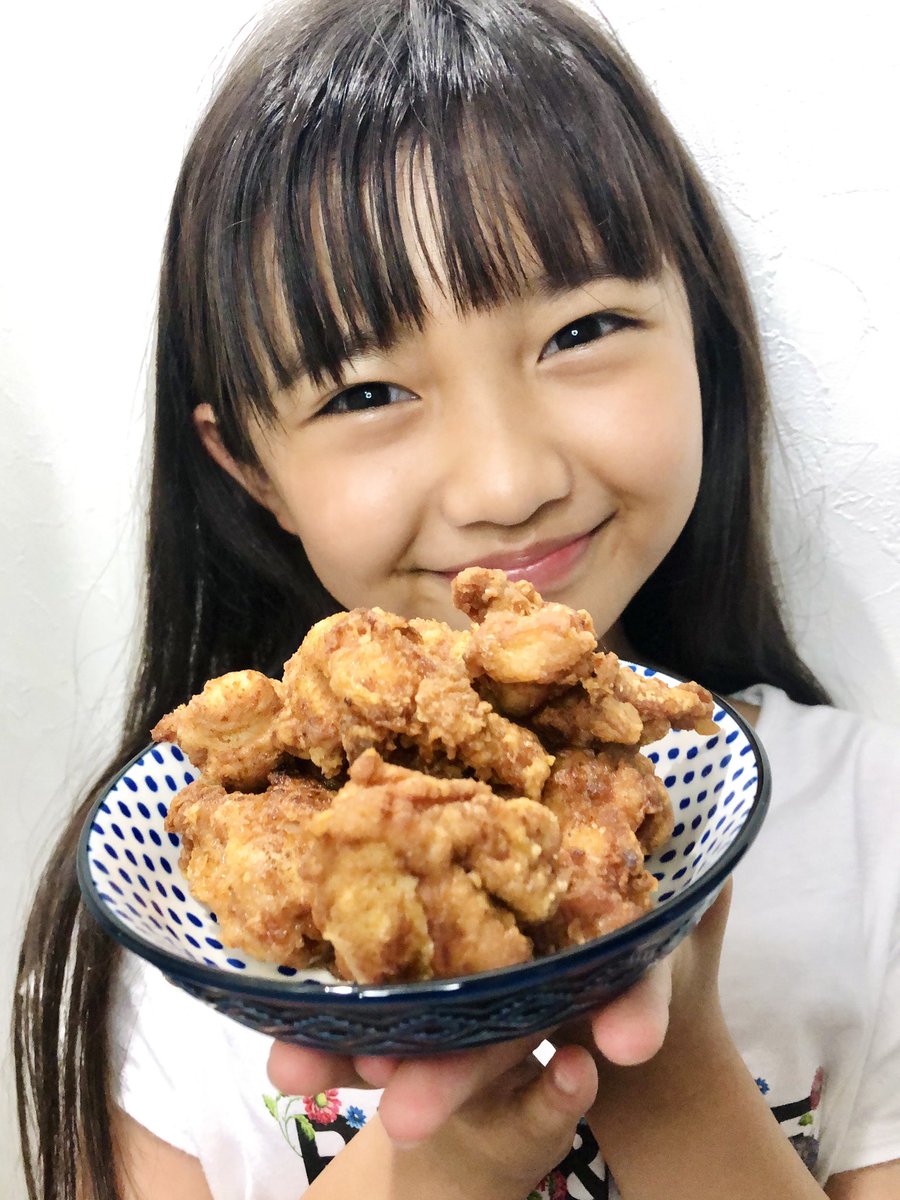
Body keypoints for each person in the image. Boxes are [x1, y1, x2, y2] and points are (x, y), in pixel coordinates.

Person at [13, 1, 900, 1197]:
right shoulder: (163, 932)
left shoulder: (872, 835)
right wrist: (438, 1164)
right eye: (366, 394)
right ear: (250, 469)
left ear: (703, 330)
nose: (506, 482)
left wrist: (660, 1062)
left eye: (582, 329)